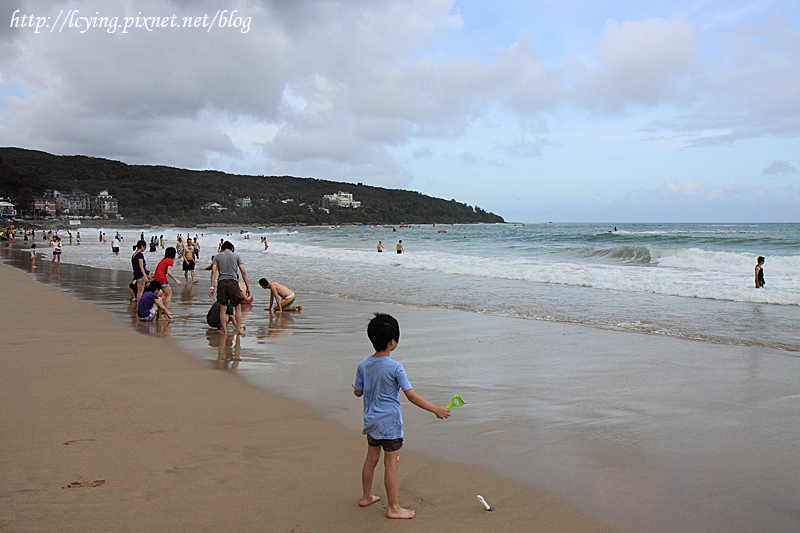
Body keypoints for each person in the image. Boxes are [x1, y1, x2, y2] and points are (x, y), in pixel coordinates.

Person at [353, 313, 450, 519]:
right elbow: (411, 396)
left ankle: (366, 496)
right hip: (390, 424)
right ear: (393, 342)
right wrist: (436, 409)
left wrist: (359, 387)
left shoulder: (363, 365)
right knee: (391, 464)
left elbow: (358, 392)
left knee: (371, 459)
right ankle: (394, 508)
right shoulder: (395, 367)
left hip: (371, 422)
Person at [209, 241, 252, 335]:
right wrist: (247, 286)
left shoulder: (217, 256)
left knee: (223, 308)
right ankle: (238, 329)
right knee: (237, 306)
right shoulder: (236, 256)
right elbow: (243, 271)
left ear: (222, 248)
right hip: (233, 282)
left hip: (222, 282)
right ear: (232, 249)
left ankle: (224, 330)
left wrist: (212, 287)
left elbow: (213, 272)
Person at [153, 247, 182, 312]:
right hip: (162, 279)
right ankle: (166, 310)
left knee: (162, 294)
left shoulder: (163, 260)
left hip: (156, 278)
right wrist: (176, 280)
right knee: (169, 294)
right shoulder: (170, 261)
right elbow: (169, 272)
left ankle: (160, 309)